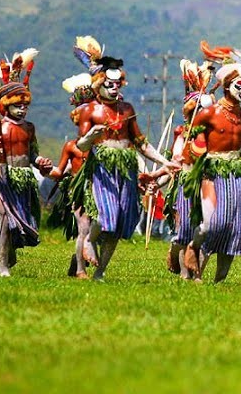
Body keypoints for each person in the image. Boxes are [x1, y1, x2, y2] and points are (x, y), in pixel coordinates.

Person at [71, 35, 174, 280]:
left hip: (125, 170)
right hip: (102, 169)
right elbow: (82, 145)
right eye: (110, 83)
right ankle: (87, 244)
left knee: (119, 223)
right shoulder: (89, 110)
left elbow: (140, 143)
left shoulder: (127, 109)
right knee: (107, 215)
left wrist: (164, 161)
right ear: (99, 83)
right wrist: (92, 136)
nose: (115, 87)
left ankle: (100, 271)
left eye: (118, 84)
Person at [184, 44, 241, 283]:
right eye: (240, 85)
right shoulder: (209, 113)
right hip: (212, 174)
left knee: (234, 229)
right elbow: (191, 140)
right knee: (212, 224)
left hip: (237, 176)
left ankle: (217, 281)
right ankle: (194, 247)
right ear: (227, 86)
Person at [0, 49, 53, 277]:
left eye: (25, 106)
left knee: (19, 225)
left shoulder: (29, 128)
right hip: (2, 179)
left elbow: (32, 154)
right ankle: (2, 265)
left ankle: (9, 252)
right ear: (7, 105)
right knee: (4, 220)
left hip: (23, 181)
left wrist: (41, 161)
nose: (22, 109)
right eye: (18, 105)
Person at [48, 72, 101, 278]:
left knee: (99, 228)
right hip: (79, 190)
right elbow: (58, 172)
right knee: (83, 227)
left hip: (98, 187)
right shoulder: (71, 147)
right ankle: (80, 269)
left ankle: (77, 261)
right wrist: (47, 169)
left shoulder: (101, 147)